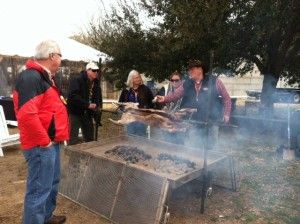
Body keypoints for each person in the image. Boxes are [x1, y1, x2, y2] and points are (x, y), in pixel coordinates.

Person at [13, 40, 69, 224]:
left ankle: (46, 217)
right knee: (38, 190)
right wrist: (44, 142)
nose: (61, 60)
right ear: (52, 56)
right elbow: (27, 115)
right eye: (60, 56)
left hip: (50, 143)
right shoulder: (31, 77)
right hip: (40, 145)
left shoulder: (44, 77)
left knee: (50, 184)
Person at [157, 59, 232, 149]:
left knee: (210, 150)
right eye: (189, 70)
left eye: (192, 69)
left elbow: (227, 99)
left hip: (211, 123)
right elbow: (175, 95)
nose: (189, 72)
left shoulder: (215, 81)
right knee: (194, 148)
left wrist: (226, 114)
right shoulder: (187, 83)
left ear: (200, 69)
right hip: (194, 123)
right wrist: (164, 98)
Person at [67, 61, 102, 145]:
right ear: (88, 70)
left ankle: (89, 156)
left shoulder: (96, 83)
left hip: (88, 114)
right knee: (73, 138)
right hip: (75, 113)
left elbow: (98, 98)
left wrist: (97, 111)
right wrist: (87, 105)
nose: (96, 72)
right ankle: (73, 158)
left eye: (97, 71)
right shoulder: (77, 80)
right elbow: (73, 96)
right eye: (94, 70)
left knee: (90, 138)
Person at [119, 70, 154, 136]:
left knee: (141, 137)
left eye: (139, 77)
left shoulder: (146, 89)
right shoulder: (126, 91)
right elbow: (121, 104)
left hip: (142, 120)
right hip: (129, 120)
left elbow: (152, 103)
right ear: (131, 79)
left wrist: (147, 112)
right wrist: (125, 109)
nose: (139, 79)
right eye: (136, 78)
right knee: (130, 136)